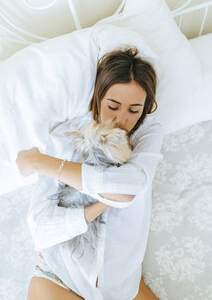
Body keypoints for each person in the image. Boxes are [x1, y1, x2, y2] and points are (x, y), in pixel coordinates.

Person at [16, 47, 163, 300]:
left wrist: (40, 162)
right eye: (113, 106)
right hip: (60, 277)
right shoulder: (65, 137)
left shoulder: (146, 134)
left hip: (123, 286)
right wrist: (99, 206)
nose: (120, 120)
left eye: (134, 110)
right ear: (98, 96)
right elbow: (41, 228)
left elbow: (129, 187)